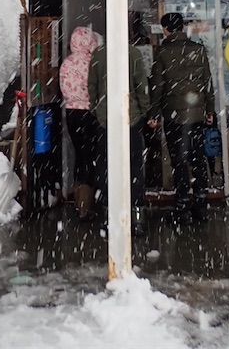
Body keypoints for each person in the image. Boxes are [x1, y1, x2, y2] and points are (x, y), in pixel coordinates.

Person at [148, 12, 215, 225]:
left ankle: (182, 207)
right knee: (198, 159)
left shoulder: (163, 53)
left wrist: (153, 115)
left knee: (179, 161)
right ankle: (201, 207)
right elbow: (207, 83)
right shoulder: (198, 49)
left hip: (174, 116)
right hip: (196, 115)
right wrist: (209, 110)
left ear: (166, 29)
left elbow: (157, 87)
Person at [88, 38, 151, 235]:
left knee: (106, 168)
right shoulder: (133, 53)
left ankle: (109, 217)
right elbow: (142, 86)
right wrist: (143, 111)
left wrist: (97, 110)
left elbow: (92, 87)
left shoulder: (98, 55)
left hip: (106, 120)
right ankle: (137, 218)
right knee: (135, 169)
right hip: (130, 119)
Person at [59, 26, 101, 219]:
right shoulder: (94, 62)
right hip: (90, 113)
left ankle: (79, 201)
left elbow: (63, 88)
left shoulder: (66, 63)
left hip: (72, 113)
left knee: (79, 155)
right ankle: (87, 205)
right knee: (91, 157)